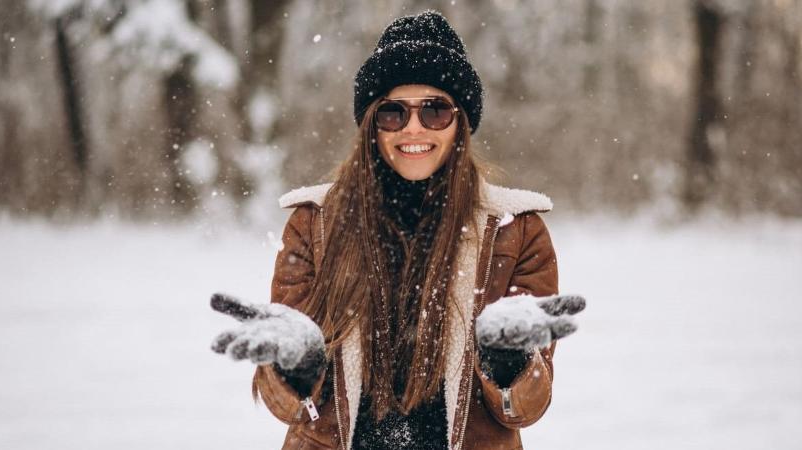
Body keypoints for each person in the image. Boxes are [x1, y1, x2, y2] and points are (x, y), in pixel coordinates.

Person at [210, 10, 586, 450]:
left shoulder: (515, 231)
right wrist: (297, 369)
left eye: (435, 110)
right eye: (392, 112)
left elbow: (523, 409)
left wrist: (510, 364)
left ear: (460, 123)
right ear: (371, 123)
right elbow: (291, 409)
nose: (413, 128)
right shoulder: (314, 225)